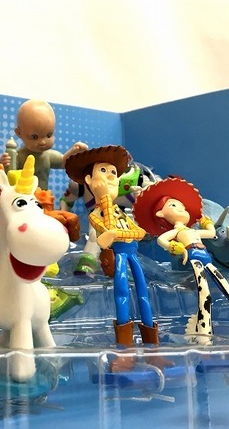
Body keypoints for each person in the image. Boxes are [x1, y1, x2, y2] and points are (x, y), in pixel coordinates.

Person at [133, 177, 229, 341]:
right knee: (204, 293)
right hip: (194, 261)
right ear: (160, 214)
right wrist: (173, 246)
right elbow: (161, 240)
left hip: (206, 259)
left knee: (227, 290)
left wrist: (207, 223)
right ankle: (203, 333)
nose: (181, 209)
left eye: (181, 206)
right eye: (173, 206)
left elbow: (211, 234)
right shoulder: (177, 232)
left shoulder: (192, 230)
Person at [65, 145, 158, 355]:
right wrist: (114, 229)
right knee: (121, 295)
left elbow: (139, 232)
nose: (109, 177)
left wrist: (120, 232)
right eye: (103, 171)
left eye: (113, 173)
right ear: (89, 180)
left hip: (132, 258)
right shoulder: (96, 215)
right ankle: (124, 348)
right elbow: (104, 235)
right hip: (120, 258)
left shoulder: (121, 213)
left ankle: (153, 345)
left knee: (143, 295)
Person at [0, 99, 87, 190]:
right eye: (34, 137)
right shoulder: (18, 156)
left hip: (43, 196)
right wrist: (3, 164)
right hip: (22, 195)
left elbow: (63, 162)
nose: (43, 142)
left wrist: (74, 150)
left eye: (48, 135)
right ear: (19, 133)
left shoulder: (48, 155)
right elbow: (9, 175)